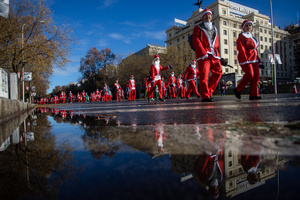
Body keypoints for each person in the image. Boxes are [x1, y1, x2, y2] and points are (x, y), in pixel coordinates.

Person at [193, 8, 227, 102]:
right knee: (204, 76)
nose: (208, 17)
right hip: (204, 55)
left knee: (218, 72)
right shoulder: (198, 27)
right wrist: (203, 53)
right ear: (203, 17)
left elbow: (217, 44)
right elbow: (196, 41)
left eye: (209, 15)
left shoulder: (215, 28)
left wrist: (220, 58)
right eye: (206, 15)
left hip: (214, 55)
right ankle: (205, 96)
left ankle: (209, 92)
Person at [234, 20, 264, 100]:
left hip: (254, 59)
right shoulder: (241, 36)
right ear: (243, 27)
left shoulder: (253, 37)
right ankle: (238, 89)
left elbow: (255, 51)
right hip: (246, 58)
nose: (248, 27)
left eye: (250, 25)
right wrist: (245, 59)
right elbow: (241, 48)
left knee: (256, 76)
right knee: (250, 74)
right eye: (246, 25)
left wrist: (259, 61)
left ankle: (254, 94)